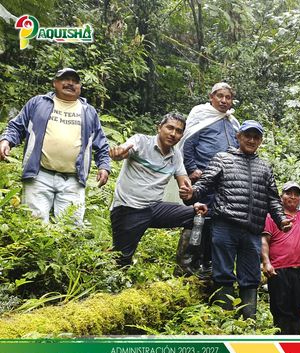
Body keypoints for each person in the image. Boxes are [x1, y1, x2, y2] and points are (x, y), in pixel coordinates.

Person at [179, 120, 292, 319]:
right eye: (247, 135)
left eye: (256, 137)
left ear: (260, 141)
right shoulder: (222, 159)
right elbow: (205, 184)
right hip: (225, 224)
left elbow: (272, 198)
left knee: (250, 277)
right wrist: (192, 194)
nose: (251, 140)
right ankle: (225, 319)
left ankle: (249, 321)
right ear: (238, 136)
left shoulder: (264, 167)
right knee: (223, 272)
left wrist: (281, 219)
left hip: (253, 230)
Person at [0, 68, 110, 223]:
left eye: (75, 81)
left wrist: (104, 166)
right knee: (34, 225)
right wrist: (6, 141)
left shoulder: (89, 112)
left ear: (80, 87)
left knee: (71, 228)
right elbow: (17, 126)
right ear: (55, 83)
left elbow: (101, 143)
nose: (70, 83)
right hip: (38, 175)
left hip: (73, 179)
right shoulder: (38, 103)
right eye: (65, 79)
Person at [109, 112, 207, 267]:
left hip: (154, 208)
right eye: (170, 128)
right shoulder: (141, 141)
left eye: (179, 131)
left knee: (197, 216)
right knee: (121, 260)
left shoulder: (176, 156)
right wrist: (118, 153)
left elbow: (184, 184)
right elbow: (124, 150)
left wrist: (189, 194)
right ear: (159, 128)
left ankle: (186, 268)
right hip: (129, 208)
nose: (173, 134)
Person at [173, 82, 241, 276]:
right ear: (211, 97)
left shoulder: (232, 122)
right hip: (202, 179)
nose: (224, 100)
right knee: (196, 218)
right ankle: (186, 264)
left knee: (217, 220)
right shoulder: (200, 115)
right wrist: (192, 168)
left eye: (228, 97)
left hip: (225, 183)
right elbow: (187, 142)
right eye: (220, 96)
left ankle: (208, 263)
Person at [261, 170, 300, 334]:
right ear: (281, 197)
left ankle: (295, 344)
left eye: (296, 194)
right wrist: (266, 262)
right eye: (289, 193)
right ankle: (281, 345)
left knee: (298, 308)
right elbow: (264, 241)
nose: (292, 197)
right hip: (279, 270)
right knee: (281, 310)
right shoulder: (273, 217)